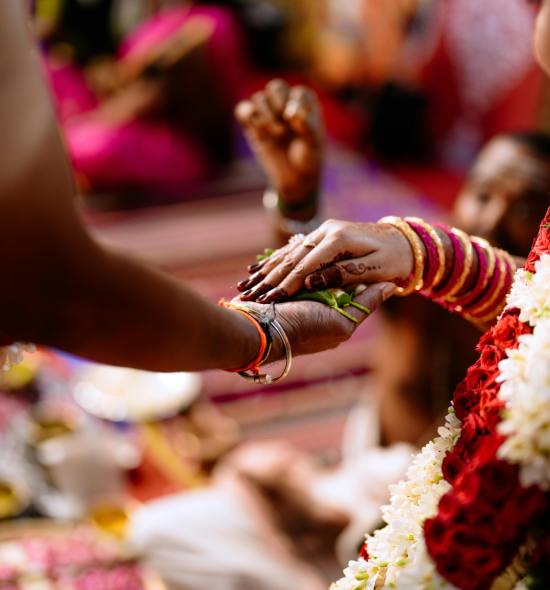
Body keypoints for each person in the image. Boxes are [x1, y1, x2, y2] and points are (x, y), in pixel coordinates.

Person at [0, 1, 393, 377]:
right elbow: (55, 290)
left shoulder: (207, 25)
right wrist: (260, 336)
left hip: (175, 144)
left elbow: (58, 288)